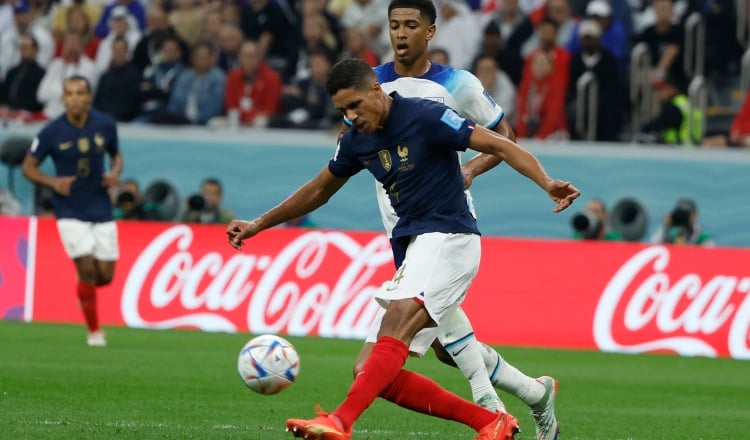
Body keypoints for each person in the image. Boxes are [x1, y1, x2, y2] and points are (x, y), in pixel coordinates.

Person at [227, 57, 578, 440]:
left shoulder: (425, 117)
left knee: (397, 328)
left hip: (449, 236)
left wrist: (546, 182)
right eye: (343, 110)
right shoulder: (357, 140)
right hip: (414, 248)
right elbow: (318, 190)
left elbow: (502, 144)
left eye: (355, 104)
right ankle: (492, 419)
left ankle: (340, 421)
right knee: (370, 370)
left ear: (376, 89)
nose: (351, 115)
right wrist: (258, 223)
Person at [350, 2, 563, 439]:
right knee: (448, 346)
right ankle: (535, 394)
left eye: (411, 25)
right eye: (394, 25)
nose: (401, 33)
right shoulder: (370, 86)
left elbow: (506, 138)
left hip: (444, 220)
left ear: (430, 31)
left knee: (429, 325)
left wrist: (470, 170)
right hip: (401, 227)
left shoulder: (458, 83)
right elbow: (356, 143)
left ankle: (491, 409)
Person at [21, 75, 123, 347]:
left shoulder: (105, 125)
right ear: (63, 98)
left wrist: (114, 173)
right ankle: (94, 332)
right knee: (88, 270)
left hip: (101, 206)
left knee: (105, 276)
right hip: (69, 209)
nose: (75, 98)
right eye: (70, 93)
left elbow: (115, 155)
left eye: (80, 93)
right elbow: (28, 167)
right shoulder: (51, 132)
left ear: (89, 97)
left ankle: (84, 285)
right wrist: (53, 182)